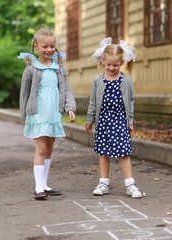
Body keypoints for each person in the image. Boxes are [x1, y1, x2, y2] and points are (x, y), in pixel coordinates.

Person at [18, 27, 76, 200]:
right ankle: (38, 187)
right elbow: (24, 93)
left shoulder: (59, 68)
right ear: (36, 47)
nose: (49, 50)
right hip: (37, 114)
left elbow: (66, 89)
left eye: (52, 46)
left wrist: (70, 108)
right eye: (45, 46)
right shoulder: (31, 69)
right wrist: (23, 115)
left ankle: (44, 185)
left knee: (49, 150)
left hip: (53, 114)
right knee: (41, 149)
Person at [85, 37, 143, 199]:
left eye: (115, 65)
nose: (112, 68)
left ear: (122, 63)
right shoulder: (97, 80)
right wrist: (89, 121)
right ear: (102, 60)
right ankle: (104, 183)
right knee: (103, 153)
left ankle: (130, 184)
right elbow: (93, 102)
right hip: (103, 120)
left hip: (119, 120)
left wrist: (130, 121)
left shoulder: (126, 80)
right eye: (108, 64)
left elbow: (130, 102)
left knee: (124, 152)